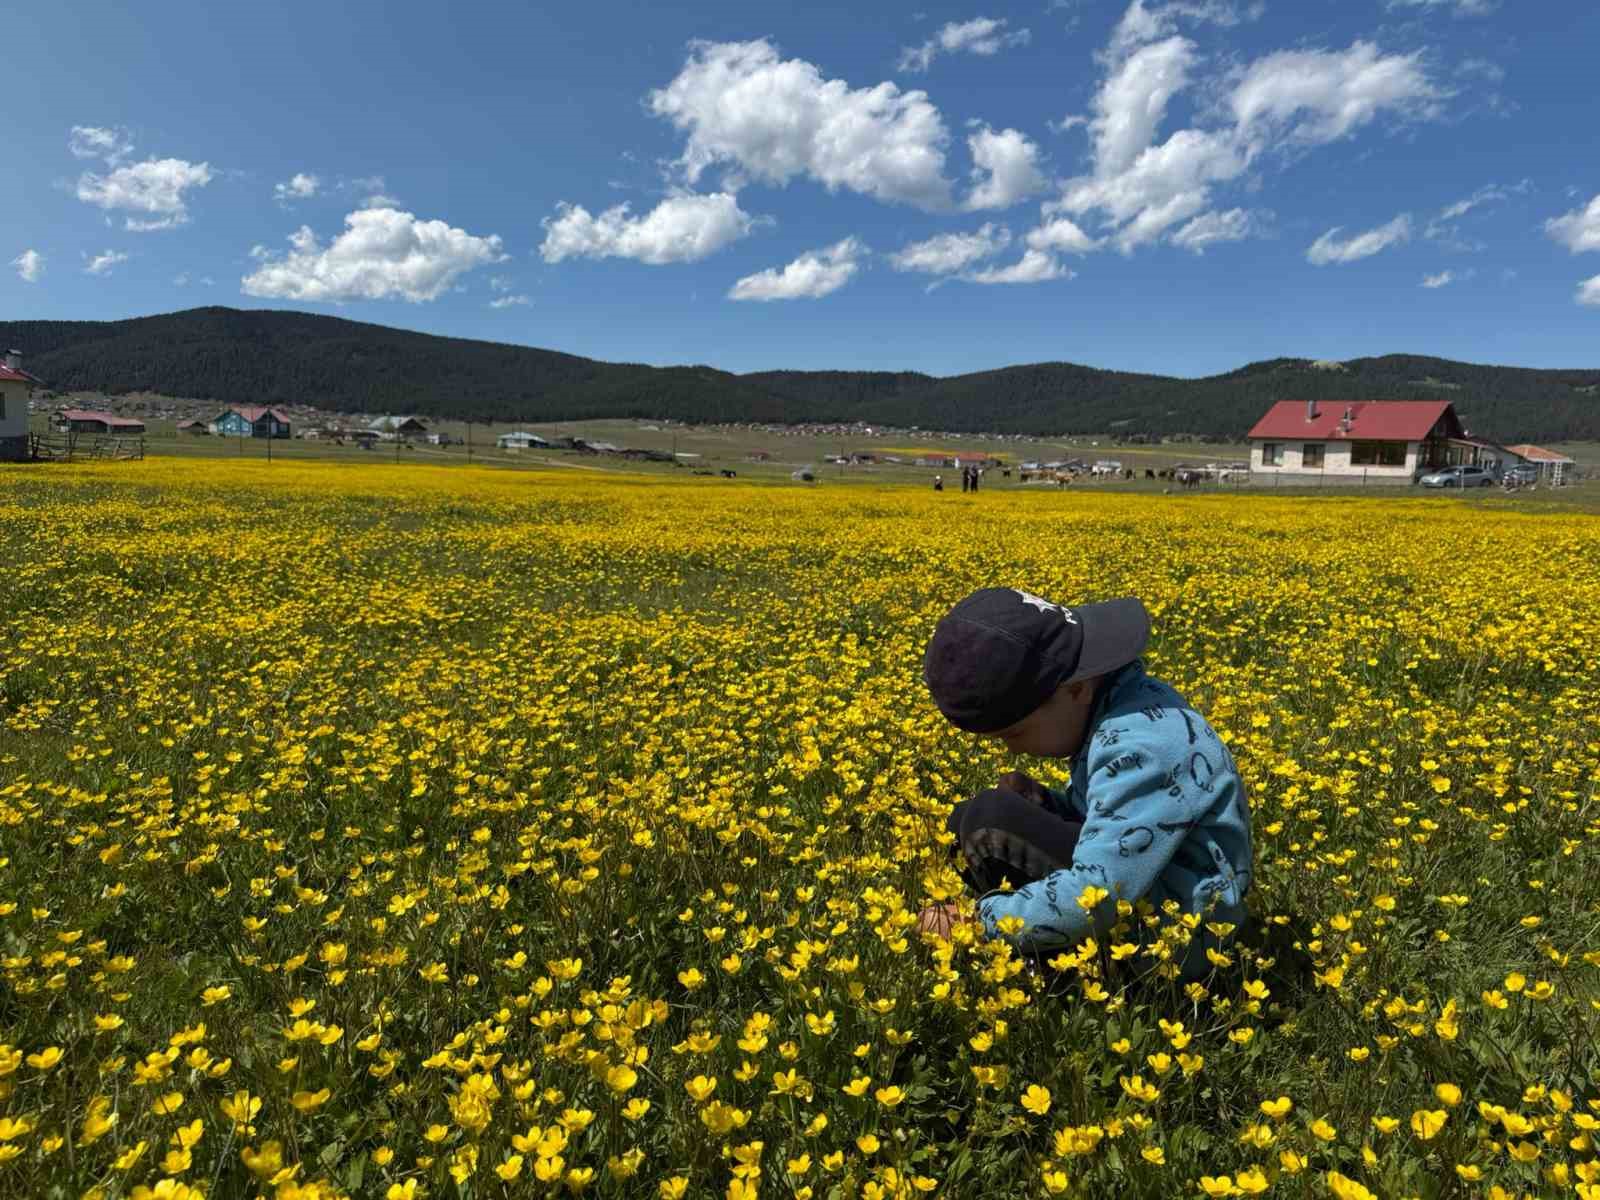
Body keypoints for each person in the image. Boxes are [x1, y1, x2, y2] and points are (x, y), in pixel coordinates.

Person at [916, 588, 1253, 980]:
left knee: (990, 823)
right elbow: (1119, 827)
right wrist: (1052, 804)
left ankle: (1059, 970)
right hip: (1153, 886)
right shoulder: (1119, 701)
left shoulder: (1141, 749)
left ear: (1075, 688)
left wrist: (976, 925)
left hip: (1180, 943)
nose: (1013, 750)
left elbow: (1099, 894)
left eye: (1015, 734)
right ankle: (1040, 943)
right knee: (976, 819)